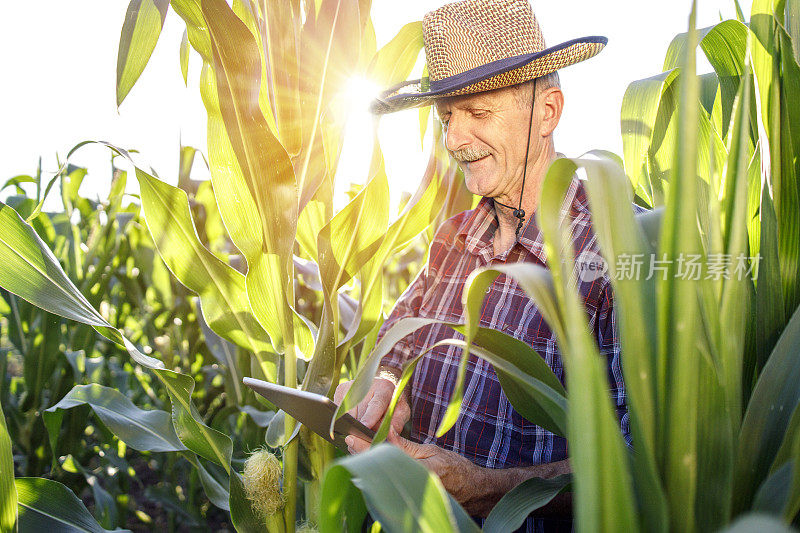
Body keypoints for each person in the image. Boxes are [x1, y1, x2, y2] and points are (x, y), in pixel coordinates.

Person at [334, 0, 632, 530]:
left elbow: (637, 461)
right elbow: (398, 343)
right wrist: (382, 387)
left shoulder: (614, 250)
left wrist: (492, 490)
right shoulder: (454, 238)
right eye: (448, 116)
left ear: (547, 112)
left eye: (478, 113)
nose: (453, 140)